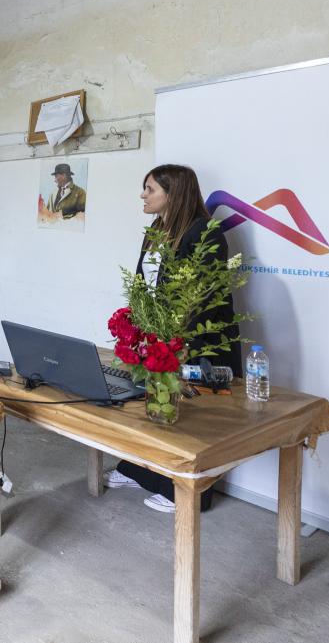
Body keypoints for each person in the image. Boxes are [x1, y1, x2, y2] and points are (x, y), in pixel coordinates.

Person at [106, 164, 241, 515]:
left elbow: (203, 298)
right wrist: (140, 326)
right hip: (157, 335)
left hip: (194, 340)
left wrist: (176, 341)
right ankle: (140, 469)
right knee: (152, 406)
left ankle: (190, 492)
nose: (143, 195)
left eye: (150, 189)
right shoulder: (157, 229)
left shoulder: (205, 233)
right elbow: (144, 281)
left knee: (193, 417)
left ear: (173, 192)